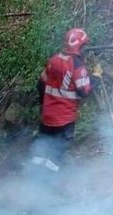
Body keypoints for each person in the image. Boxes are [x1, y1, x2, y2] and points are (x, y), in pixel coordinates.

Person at [36, 28, 93, 165]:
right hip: (64, 119)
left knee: (41, 150)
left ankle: (34, 177)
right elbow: (84, 91)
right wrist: (95, 77)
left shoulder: (54, 60)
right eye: (84, 46)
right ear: (79, 46)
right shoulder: (78, 66)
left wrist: (43, 104)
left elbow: (40, 84)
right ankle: (49, 182)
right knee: (57, 154)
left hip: (47, 116)